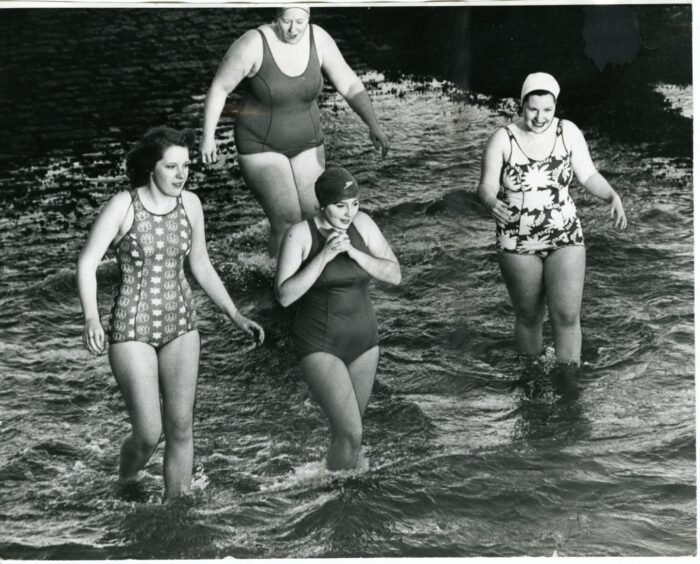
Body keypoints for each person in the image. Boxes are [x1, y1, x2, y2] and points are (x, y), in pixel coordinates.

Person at [77, 126, 265, 499]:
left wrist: (235, 315)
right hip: (132, 328)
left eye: (186, 167)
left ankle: (176, 509)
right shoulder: (123, 205)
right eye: (172, 167)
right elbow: (86, 264)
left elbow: (201, 264)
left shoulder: (191, 204)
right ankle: (125, 480)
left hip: (182, 324)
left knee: (181, 427)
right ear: (151, 169)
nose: (182, 175)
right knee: (149, 432)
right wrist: (92, 318)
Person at [477, 72, 627, 396]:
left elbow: (588, 174)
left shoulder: (568, 132)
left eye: (547, 110)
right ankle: (531, 382)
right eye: (533, 109)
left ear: (555, 107)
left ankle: (568, 386)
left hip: (565, 233)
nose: (540, 117)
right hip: (517, 238)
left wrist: (611, 196)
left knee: (567, 315)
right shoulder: (502, 139)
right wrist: (491, 201)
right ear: (522, 105)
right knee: (529, 315)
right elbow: (486, 185)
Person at [200, 5, 390, 257]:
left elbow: (349, 83)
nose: (293, 29)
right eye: (287, 22)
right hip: (260, 146)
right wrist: (208, 137)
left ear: (309, 17)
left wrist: (372, 124)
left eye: (300, 22)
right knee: (287, 220)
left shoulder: (318, 38)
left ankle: (313, 276)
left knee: (315, 214)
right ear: (276, 18)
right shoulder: (252, 44)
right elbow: (220, 88)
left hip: (308, 142)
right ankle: (280, 283)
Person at [275, 167, 400, 470]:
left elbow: (395, 275)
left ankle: (332, 488)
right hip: (319, 343)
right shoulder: (300, 234)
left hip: (365, 342)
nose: (349, 212)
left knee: (345, 431)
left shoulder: (363, 224)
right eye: (340, 205)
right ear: (322, 204)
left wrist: (356, 254)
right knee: (352, 433)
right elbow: (285, 295)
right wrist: (324, 256)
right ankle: (338, 497)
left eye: (354, 203)